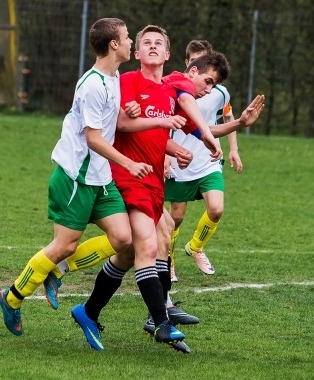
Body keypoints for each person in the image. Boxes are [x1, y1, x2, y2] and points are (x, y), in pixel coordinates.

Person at [69, 24, 234, 354]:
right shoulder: (126, 81)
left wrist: (217, 135)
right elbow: (120, 124)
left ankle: (88, 311)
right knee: (148, 242)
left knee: (129, 252)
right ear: (138, 53)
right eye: (146, 43)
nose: (153, 46)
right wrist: (131, 113)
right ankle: (161, 321)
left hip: (154, 182)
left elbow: (188, 127)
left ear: (168, 53)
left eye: (159, 42)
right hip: (127, 175)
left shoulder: (170, 91)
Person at [0, 17, 153, 341]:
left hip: (100, 176)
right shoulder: (93, 84)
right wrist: (129, 163)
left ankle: (55, 271)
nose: (129, 43)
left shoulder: (115, 77)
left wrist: (134, 113)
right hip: (76, 178)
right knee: (64, 244)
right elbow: (94, 138)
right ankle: (11, 298)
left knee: (123, 239)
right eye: (126, 38)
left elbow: (115, 123)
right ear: (113, 44)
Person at [166, 39, 242, 281]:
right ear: (189, 65)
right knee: (175, 218)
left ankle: (196, 246)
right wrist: (166, 156)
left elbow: (227, 119)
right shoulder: (174, 88)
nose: (208, 87)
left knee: (217, 208)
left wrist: (234, 149)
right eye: (193, 60)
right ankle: (168, 261)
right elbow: (166, 122)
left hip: (208, 160)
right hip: (180, 160)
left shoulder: (218, 92)